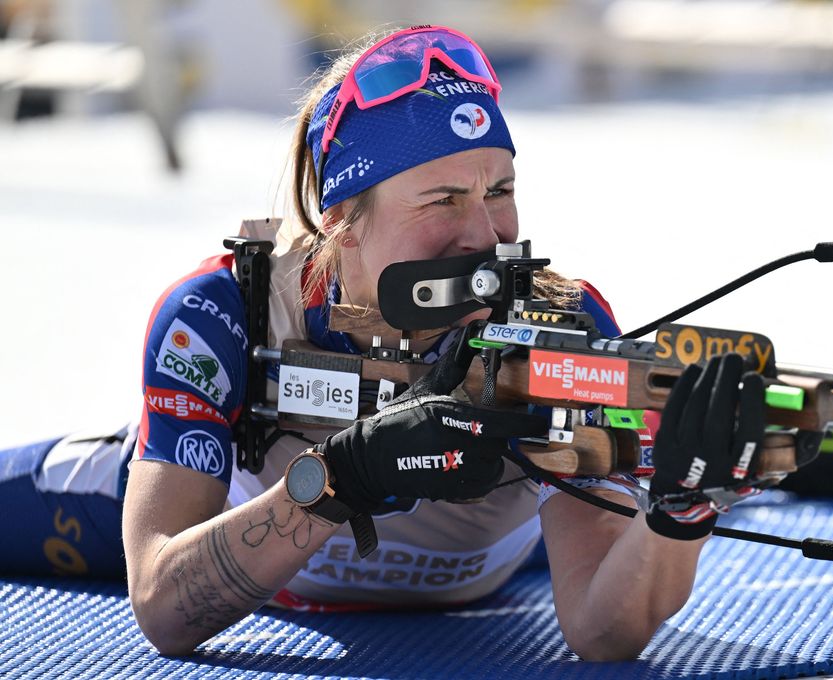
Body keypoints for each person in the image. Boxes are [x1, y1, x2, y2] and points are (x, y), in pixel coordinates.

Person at [1, 25, 769, 662]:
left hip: (494, 564)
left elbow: (604, 632)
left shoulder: (562, 323)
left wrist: (680, 507)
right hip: (196, 511)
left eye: (499, 190)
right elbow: (163, 608)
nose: (485, 233)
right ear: (341, 220)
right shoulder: (224, 311)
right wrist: (344, 477)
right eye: (443, 199)